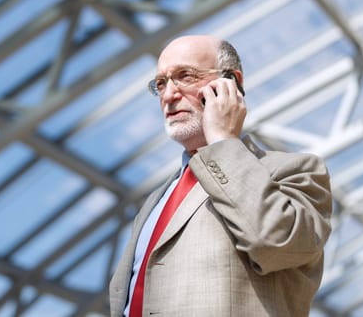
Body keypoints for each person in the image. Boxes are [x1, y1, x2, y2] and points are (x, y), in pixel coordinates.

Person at [109, 35, 332, 316]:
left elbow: (277, 243)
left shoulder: (295, 171)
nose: (168, 95)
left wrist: (223, 141)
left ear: (231, 82)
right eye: (161, 83)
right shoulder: (155, 201)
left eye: (185, 76)